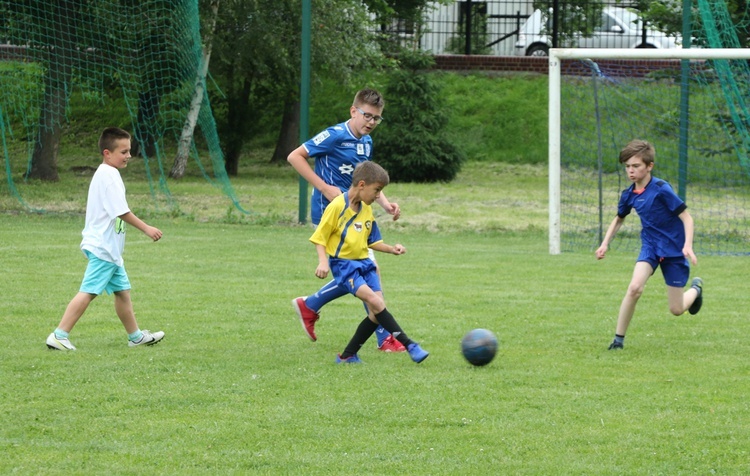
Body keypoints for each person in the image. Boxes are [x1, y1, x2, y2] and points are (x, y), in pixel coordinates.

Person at [288, 88, 404, 351]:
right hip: (332, 215)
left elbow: (369, 178)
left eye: (376, 118)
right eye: (367, 115)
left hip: (357, 214)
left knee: (360, 272)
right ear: (354, 111)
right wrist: (324, 188)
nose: (371, 122)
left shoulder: (366, 142)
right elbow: (295, 156)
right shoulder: (334, 135)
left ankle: (311, 305)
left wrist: (385, 204)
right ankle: (385, 337)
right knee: (367, 269)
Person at [46, 127, 165, 351]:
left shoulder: (108, 174)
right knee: (89, 291)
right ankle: (59, 335)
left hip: (110, 249)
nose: (128, 155)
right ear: (107, 153)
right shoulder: (108, 176)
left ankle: (135, 337)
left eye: (129, 151)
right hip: (103, 248)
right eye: (123, 152)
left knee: (122, 292)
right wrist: (147, 228)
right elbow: (121, 211)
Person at [308, 161, 428, 364]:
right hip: (345, 266)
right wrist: (323, 262)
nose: (378, 196)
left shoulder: (366, 210)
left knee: (375, 313)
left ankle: (347, 356)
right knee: (377, 303)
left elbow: (373, 241)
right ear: (362, 185)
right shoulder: (336, 207)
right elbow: (319, 237)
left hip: (365, 264)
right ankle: (410, 345)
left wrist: (391, 249)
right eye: (377, 190)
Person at [595, 139, 703, 350]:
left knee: (676, 309)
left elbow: (687, 218)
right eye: (627, 166)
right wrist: (605, 243)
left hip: (673, 251)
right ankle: (618, 340)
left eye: (636, 166)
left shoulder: (662, 189)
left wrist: (688, 245)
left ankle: (696, 290)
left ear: (649, 166)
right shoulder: (628, 195)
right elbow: (619, 219)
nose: (630, 171)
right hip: (651, 247)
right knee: (634, 288)